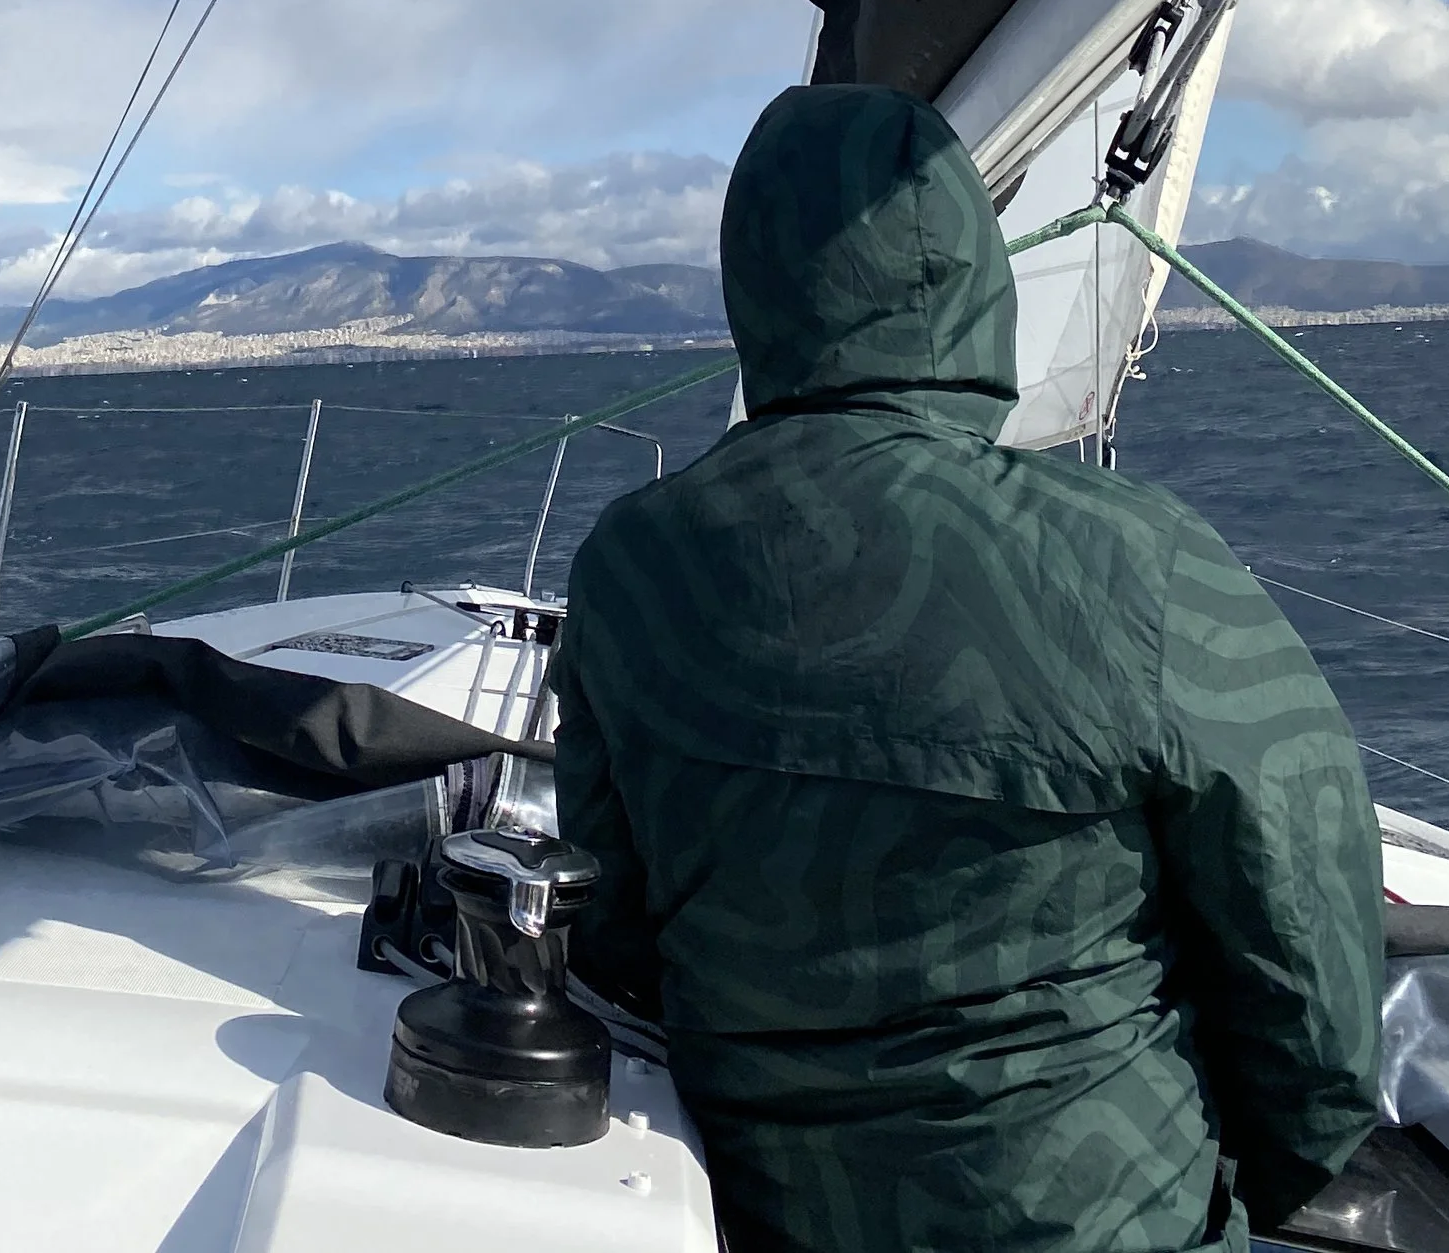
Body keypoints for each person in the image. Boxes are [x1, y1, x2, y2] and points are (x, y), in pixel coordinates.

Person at [551, 83, 1382, 1253]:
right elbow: (1303, 927)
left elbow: (613, 924)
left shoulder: (629, 564)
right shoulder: (1131, 555)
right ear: (979, 289)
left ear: (758, 288)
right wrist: (1277, 1169)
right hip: (1099, 1217)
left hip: (763, 1206)